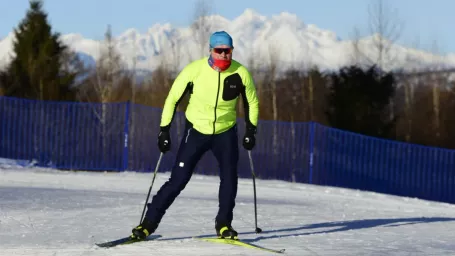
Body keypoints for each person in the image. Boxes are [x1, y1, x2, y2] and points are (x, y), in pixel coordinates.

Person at [131, 31, 259, 240]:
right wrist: (164, 131)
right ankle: (147, 224)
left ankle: (224, 224)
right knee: (178, 180)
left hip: (225, 133)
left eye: (228, 51)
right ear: (211, 50)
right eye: (219, 51)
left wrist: (251, 130)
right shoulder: (194, 70)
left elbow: (252, 102)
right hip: (196, 131)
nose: (224, 55)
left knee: (229, 179)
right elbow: (172, 98)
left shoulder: (241, 73)